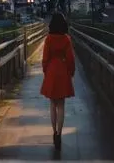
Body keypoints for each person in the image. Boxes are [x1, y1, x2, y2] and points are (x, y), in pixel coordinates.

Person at [40, 12, 75, 150]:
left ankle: (54, 132)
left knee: (52, 104)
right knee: (61, 106)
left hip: (51, 71)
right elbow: (71, 59)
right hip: (63, 70)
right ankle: (60, 133)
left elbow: (44, 59)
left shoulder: (48, 39)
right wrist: (71, 72)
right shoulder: (66, 39)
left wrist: (45, 71)